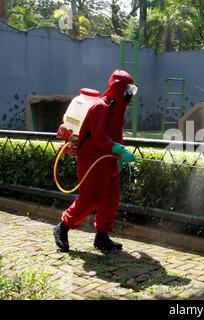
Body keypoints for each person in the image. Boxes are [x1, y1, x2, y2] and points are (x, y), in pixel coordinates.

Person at [53, 70, 138, 252]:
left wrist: (118, 157)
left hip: (108, 161)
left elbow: (116, 134)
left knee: (110, 200)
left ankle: (102, 237)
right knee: (89, 199)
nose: (129, 93)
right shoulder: (100, 107)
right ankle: (62, 227)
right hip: (91, 161)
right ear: (118, 88)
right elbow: (99, 137)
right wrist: (118, 149)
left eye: (131, 89)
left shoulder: (118, 108)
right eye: (127, 88)